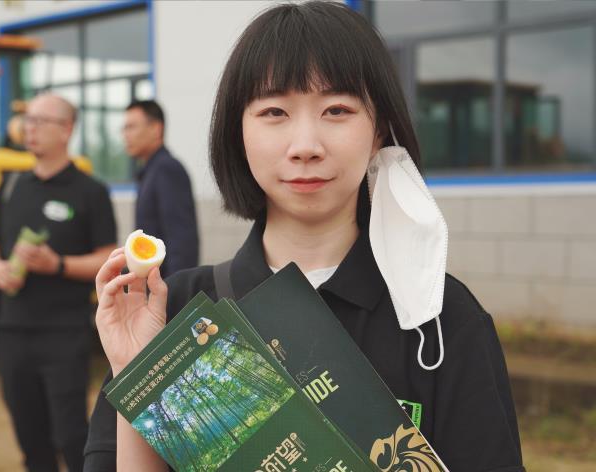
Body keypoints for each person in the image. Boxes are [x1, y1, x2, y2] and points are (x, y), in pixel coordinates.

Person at [84, 2, 525, 472]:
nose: (306, 146)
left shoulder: (439, 320)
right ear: (238, 132)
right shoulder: (176, 315)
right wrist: (141, 376)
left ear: (379, 131)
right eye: (274, 111)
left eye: (337, 110)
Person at [0, 93, 117, 472]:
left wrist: (58, 265)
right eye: (28, 120)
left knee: (72, 436)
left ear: (67, 130)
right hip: (12, 331)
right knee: (30, 437)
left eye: (40, 121)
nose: (30, 128)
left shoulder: (90, 191)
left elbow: (108, 257)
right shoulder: (12, 186)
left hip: (63, 334)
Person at [122, 100, 199, 277]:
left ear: (156, 129)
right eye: (124, 128)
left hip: (166, 286)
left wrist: (176, 289)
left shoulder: (167, 169)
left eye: (131, 127)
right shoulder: (151, 171)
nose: (125, 135)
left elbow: (181, 241)